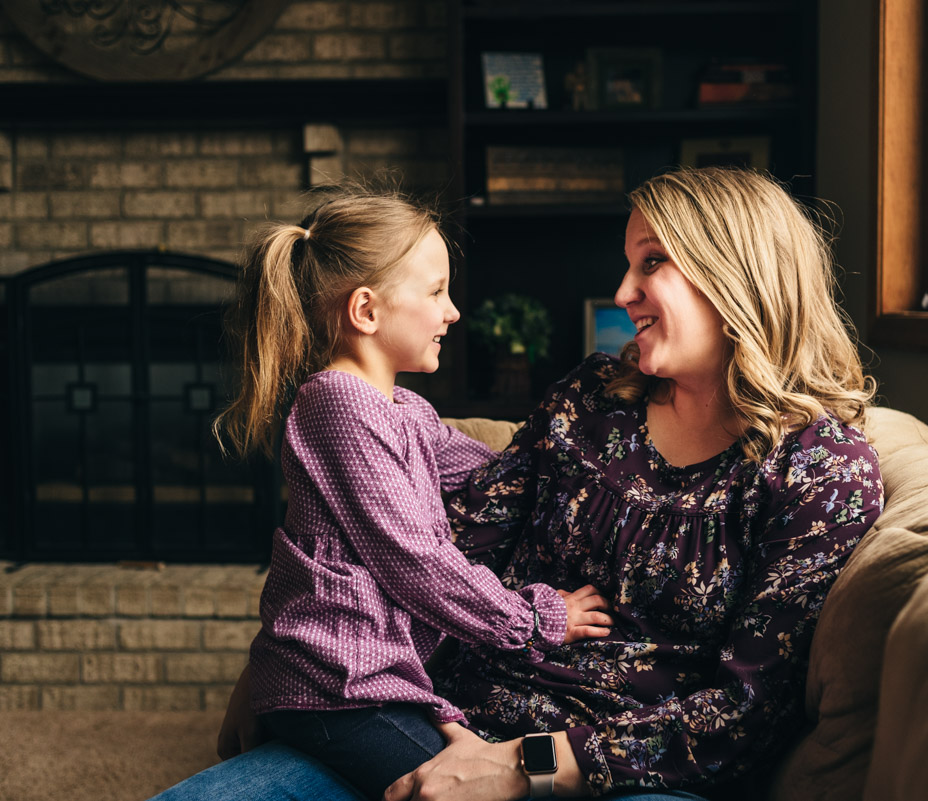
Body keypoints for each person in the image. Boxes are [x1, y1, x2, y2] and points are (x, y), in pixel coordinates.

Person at [150, 166, 884, 801]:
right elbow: (438, 538)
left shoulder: (821, 471)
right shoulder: (593, 399)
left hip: (623, 772)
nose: (623, 290)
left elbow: (745, 715)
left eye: (651, 262)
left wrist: (521, 765)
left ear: (737, 273)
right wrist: (280, 660)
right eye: (628, 262)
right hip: (439, 715)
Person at [207, 187, 613, 800]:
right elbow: (415, 561)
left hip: (375, 680)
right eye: (435, 292)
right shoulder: (336, 404)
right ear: (366, 311)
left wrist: (601, 447)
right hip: (337, 687)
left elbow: (499, 475)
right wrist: (536, 616)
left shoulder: (405, 411)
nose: (453, 312)